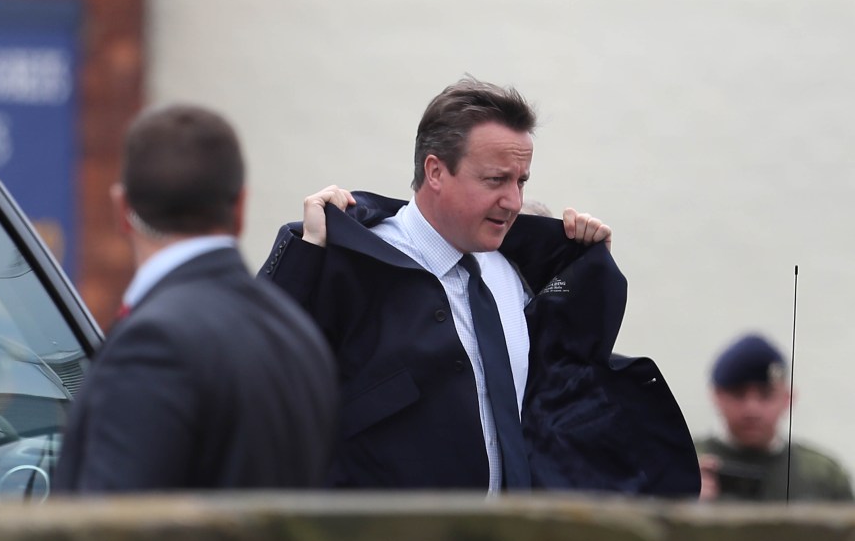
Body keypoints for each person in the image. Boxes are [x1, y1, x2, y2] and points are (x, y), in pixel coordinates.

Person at [261, 76, 700, 495]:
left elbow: (567, 395)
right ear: (435, 171)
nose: (513, 200)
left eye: (520, 181)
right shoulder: (352, 263)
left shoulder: (518, 271)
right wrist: (307, 250)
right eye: (495, 180)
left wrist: (586, 267)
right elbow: (262, 370)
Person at [54, 104, 339, 492]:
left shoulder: (152, 344)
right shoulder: (297, 333)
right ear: (240, 208)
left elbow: (110, 538)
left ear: (122, 210)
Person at [696, 333, 853, 501]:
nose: (752, 410)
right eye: (738, 394)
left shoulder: (825, 476)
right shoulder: (683, 464)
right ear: (716, 397)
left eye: (766, 395)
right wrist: (684, 501)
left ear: (788, 399)